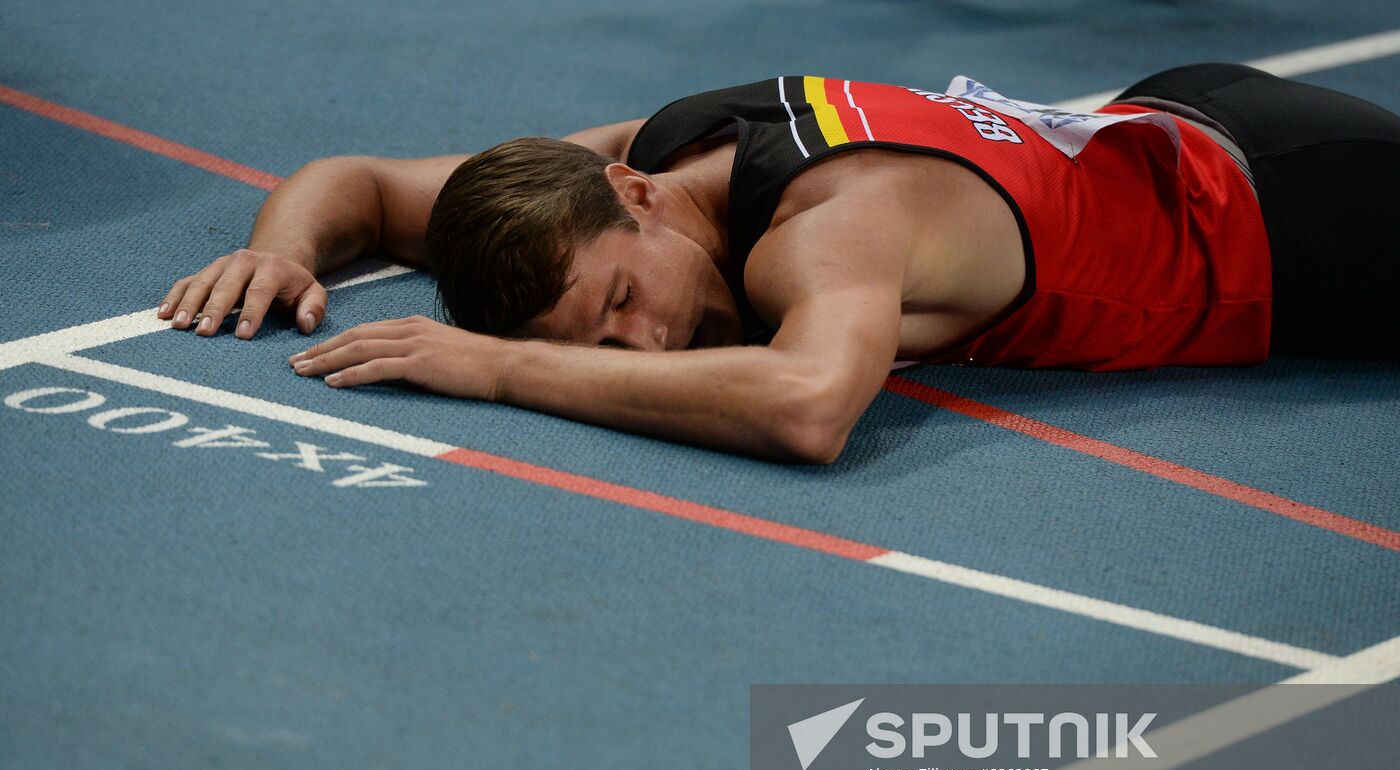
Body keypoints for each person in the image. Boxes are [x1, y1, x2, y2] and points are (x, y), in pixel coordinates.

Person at [156, 64, 1400, 464]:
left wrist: (496, 368)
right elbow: (363, 184)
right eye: (595, 341)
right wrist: (278, 251)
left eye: (621, 304)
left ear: (633, 201)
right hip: (1180, 122)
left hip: (1314, 225)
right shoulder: (629, 169)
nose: (639, 346)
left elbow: (808, 407)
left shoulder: (829, 229)